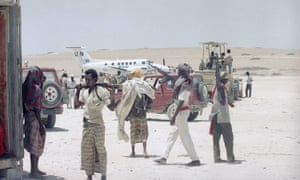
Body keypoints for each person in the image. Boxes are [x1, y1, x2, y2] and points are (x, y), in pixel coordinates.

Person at [154, 63, 201, 166]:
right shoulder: (184, 81)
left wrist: (173, 116)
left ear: (181, 72)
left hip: (181, 112)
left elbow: (181, 100)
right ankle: (164, 157)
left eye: (178, 70)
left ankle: (195, 159)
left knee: (185, 137)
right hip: (182, 111)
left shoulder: (185, 83)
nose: (177, 71)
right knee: (172, 136)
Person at [74, 69, 115, 180]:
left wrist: (112, 93)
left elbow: (111, 108)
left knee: (100, 150)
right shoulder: (85, 92)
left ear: (95, 80)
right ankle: (89, 175)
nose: (87, 82)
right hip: (87, 126)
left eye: (89, 80)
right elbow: (76, 105)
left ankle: (103, 175)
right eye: (85, 79)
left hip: (98, 126)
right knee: (87, 150)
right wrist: (77, 91)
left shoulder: (101, 91)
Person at [116, 69, 155, 157]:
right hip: (142, 113)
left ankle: (133, 152)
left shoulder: (129, 84)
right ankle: (144, 152)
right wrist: (148, 107)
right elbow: (151, 95)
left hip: (132, 113)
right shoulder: (145, 85)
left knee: (133, 131)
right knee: (143, 131)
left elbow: (125, 98)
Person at [22, 66, 47, 178]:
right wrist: (41, 124)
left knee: (32, 144)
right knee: (36, 144)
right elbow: (37, 108)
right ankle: (34, 171)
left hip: (28, 117)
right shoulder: (36, 90)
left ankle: (35, 169)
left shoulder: (25, 87)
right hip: (35, 119)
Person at [209, 72, 235, 163]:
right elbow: (222, 101)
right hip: (223, 116)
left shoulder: (215, 88)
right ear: (225, 80)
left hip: (215, 115)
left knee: (216, 139)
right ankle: (230, 157)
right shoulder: (221, 89)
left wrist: (230, 103)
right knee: (228, 137)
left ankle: (217, 157)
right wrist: (225, 100)